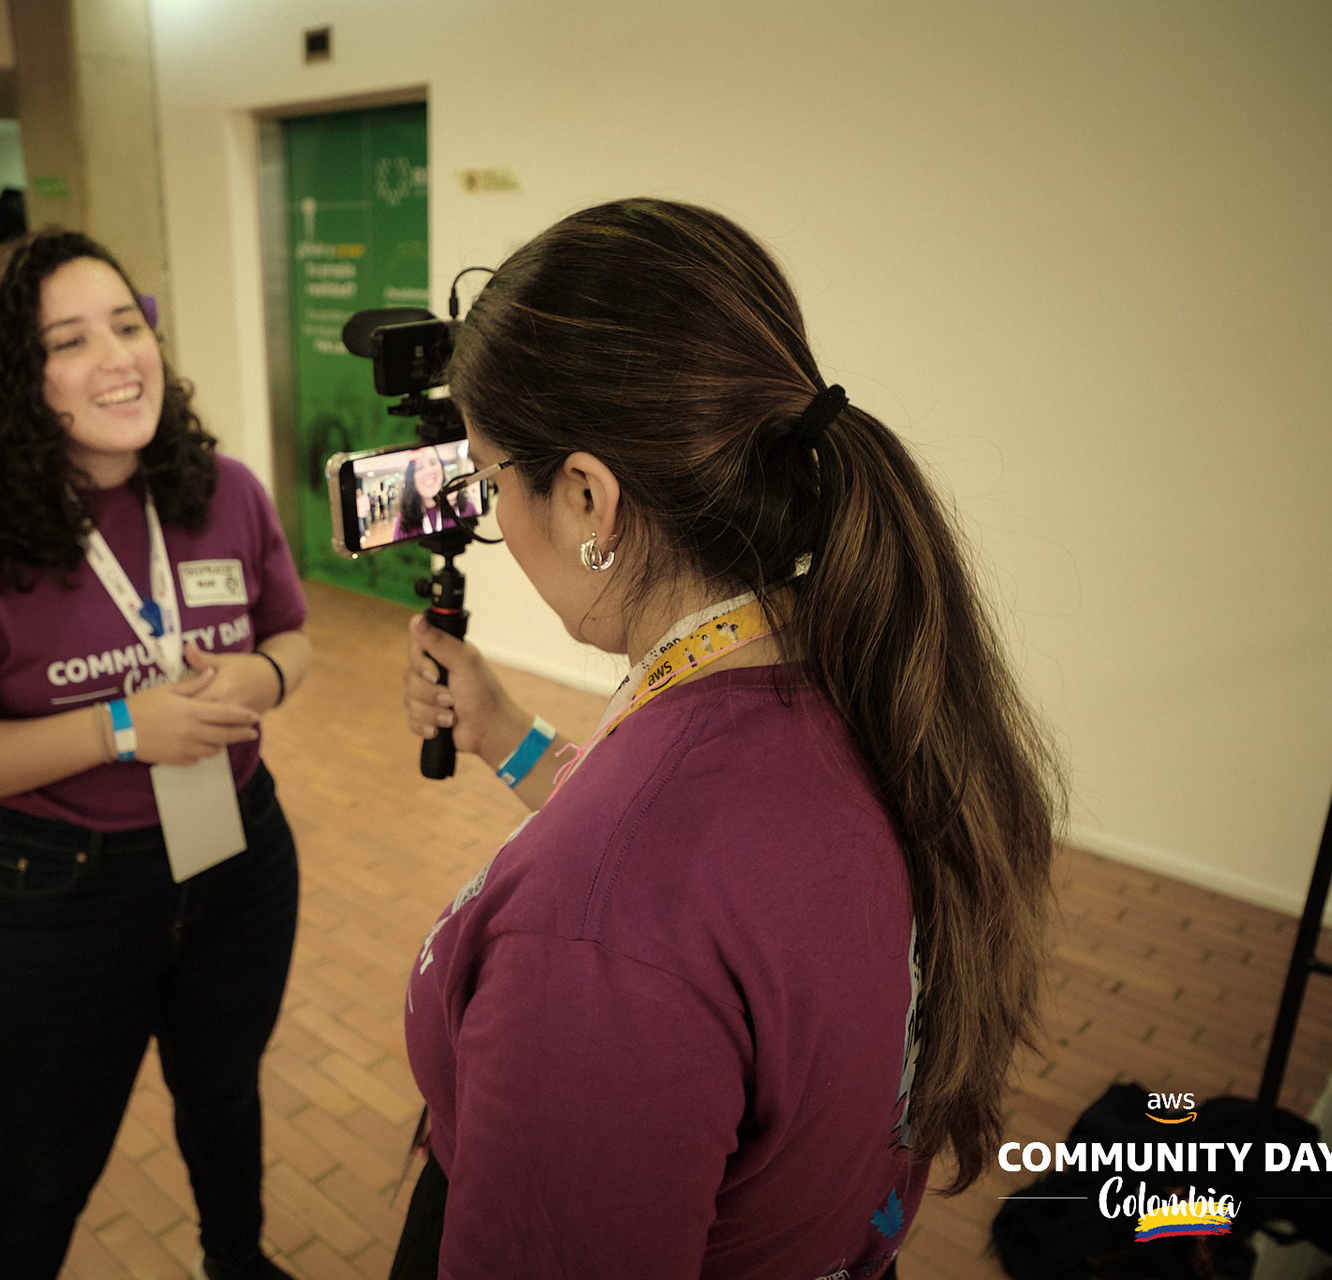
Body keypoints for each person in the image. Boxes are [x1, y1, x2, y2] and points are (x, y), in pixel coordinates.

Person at [395, 199, 1060, 1279]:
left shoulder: (593, 938)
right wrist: (506, 735)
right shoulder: (852, 674)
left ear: (586, 497)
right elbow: (711, 879)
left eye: (489, 477)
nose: (494, 519)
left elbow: (639, 896)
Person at [0, 229, 311, 1280]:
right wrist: (120, 728)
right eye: (69, 341)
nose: (119, 358)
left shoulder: (223, 488)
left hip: (237, 854)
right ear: (12, 382)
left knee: (224, 1092)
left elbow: (292, 636)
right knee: (42, 1173)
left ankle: (236, 1262)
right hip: (58, 893)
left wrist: (262, 679)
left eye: (127, 325)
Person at [390, 444, 472, 540]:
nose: (429, 471)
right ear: (412, 479)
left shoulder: (465, 508)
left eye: (433, 463)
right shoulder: (404, 522)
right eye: (420, 467)